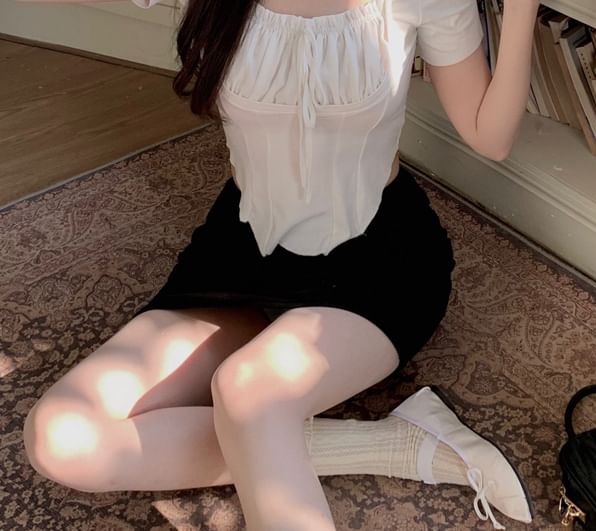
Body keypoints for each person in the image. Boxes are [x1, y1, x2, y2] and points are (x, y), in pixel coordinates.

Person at [20, 0, 540, 528]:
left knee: (248, 393)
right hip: (241, 253)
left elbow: (490, 136)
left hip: (378, 262)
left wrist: (522, 10)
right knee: (61, 438)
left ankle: (267, 430)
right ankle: (390, 443)